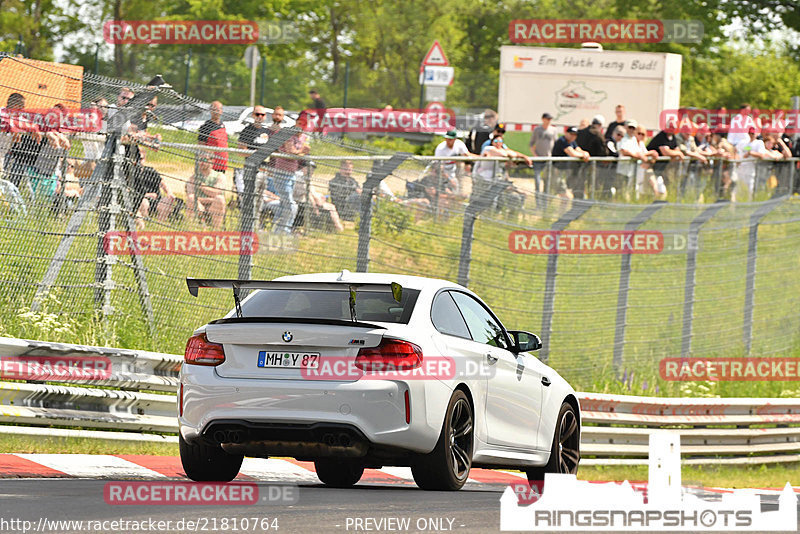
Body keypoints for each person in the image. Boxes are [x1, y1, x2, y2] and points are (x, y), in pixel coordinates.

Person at [268, 112, 310, 233]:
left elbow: (301, 154)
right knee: (291, 204)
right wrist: (302, 150)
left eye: (303, 125)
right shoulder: (288, 134)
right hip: (281, 173)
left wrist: (302, 152)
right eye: (299, 123)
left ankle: (277, 230)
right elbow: (290, 152)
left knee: (284, 203)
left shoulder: (303, 137)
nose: (300, 127)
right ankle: (285, 230)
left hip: (292, 174)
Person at [186, 153, 226, 228]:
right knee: (191, 199)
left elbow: (216, 193)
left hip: (214, 206)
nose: (201, 162)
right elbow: (190, 196)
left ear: (212, 161)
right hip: (199, 206)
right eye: (199, 160)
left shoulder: (220, 176)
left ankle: (216, 230)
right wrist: (208, 199)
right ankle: (190, 228)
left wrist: (201, 186)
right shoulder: (193, 177)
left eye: (204, 160)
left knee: (220, 199)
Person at [552, 126, 590, 198]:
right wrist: (583, 155)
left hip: (562, 173)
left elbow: (579, 150)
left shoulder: (572, 142)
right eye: (571, 134)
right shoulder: (562, 141)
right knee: (563, 197)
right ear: (566, 133)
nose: (573, 136)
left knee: (564, 198)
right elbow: (572, 153)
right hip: (555, 172)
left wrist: (585, 153)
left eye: (575, 134)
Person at [529, 112, 557, 201]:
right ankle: (537, 201)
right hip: (538, 158)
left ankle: (545, 202)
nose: (549, 121)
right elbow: (531, 143)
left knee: (547, 181)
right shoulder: (537, 130)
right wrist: (535, 155)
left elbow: (555, 144)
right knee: (537, 181)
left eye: (550, 119)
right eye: (547, 119)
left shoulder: (553, 130)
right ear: (543, 119)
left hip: (548, 159)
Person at [434, 130, 469, 194]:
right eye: (446, 139)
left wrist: (481, 157)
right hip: (442, 173)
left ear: (455, 139)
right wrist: (450, 179)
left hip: (453, 170)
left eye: (450, 139)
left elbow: (467, 155)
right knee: (445, 190)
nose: (448, 141)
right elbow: (439, 167)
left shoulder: (459, 144)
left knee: (457, 188)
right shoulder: (440, 148)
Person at [197, 101, 228, 173]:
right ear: (210, 111)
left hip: (222, 163)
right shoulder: (206, 127)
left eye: (218, 110)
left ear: (221, 111)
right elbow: (201, 145)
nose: (216, 112)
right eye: (214, 109)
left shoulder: (222, 125)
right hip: (211, 164)